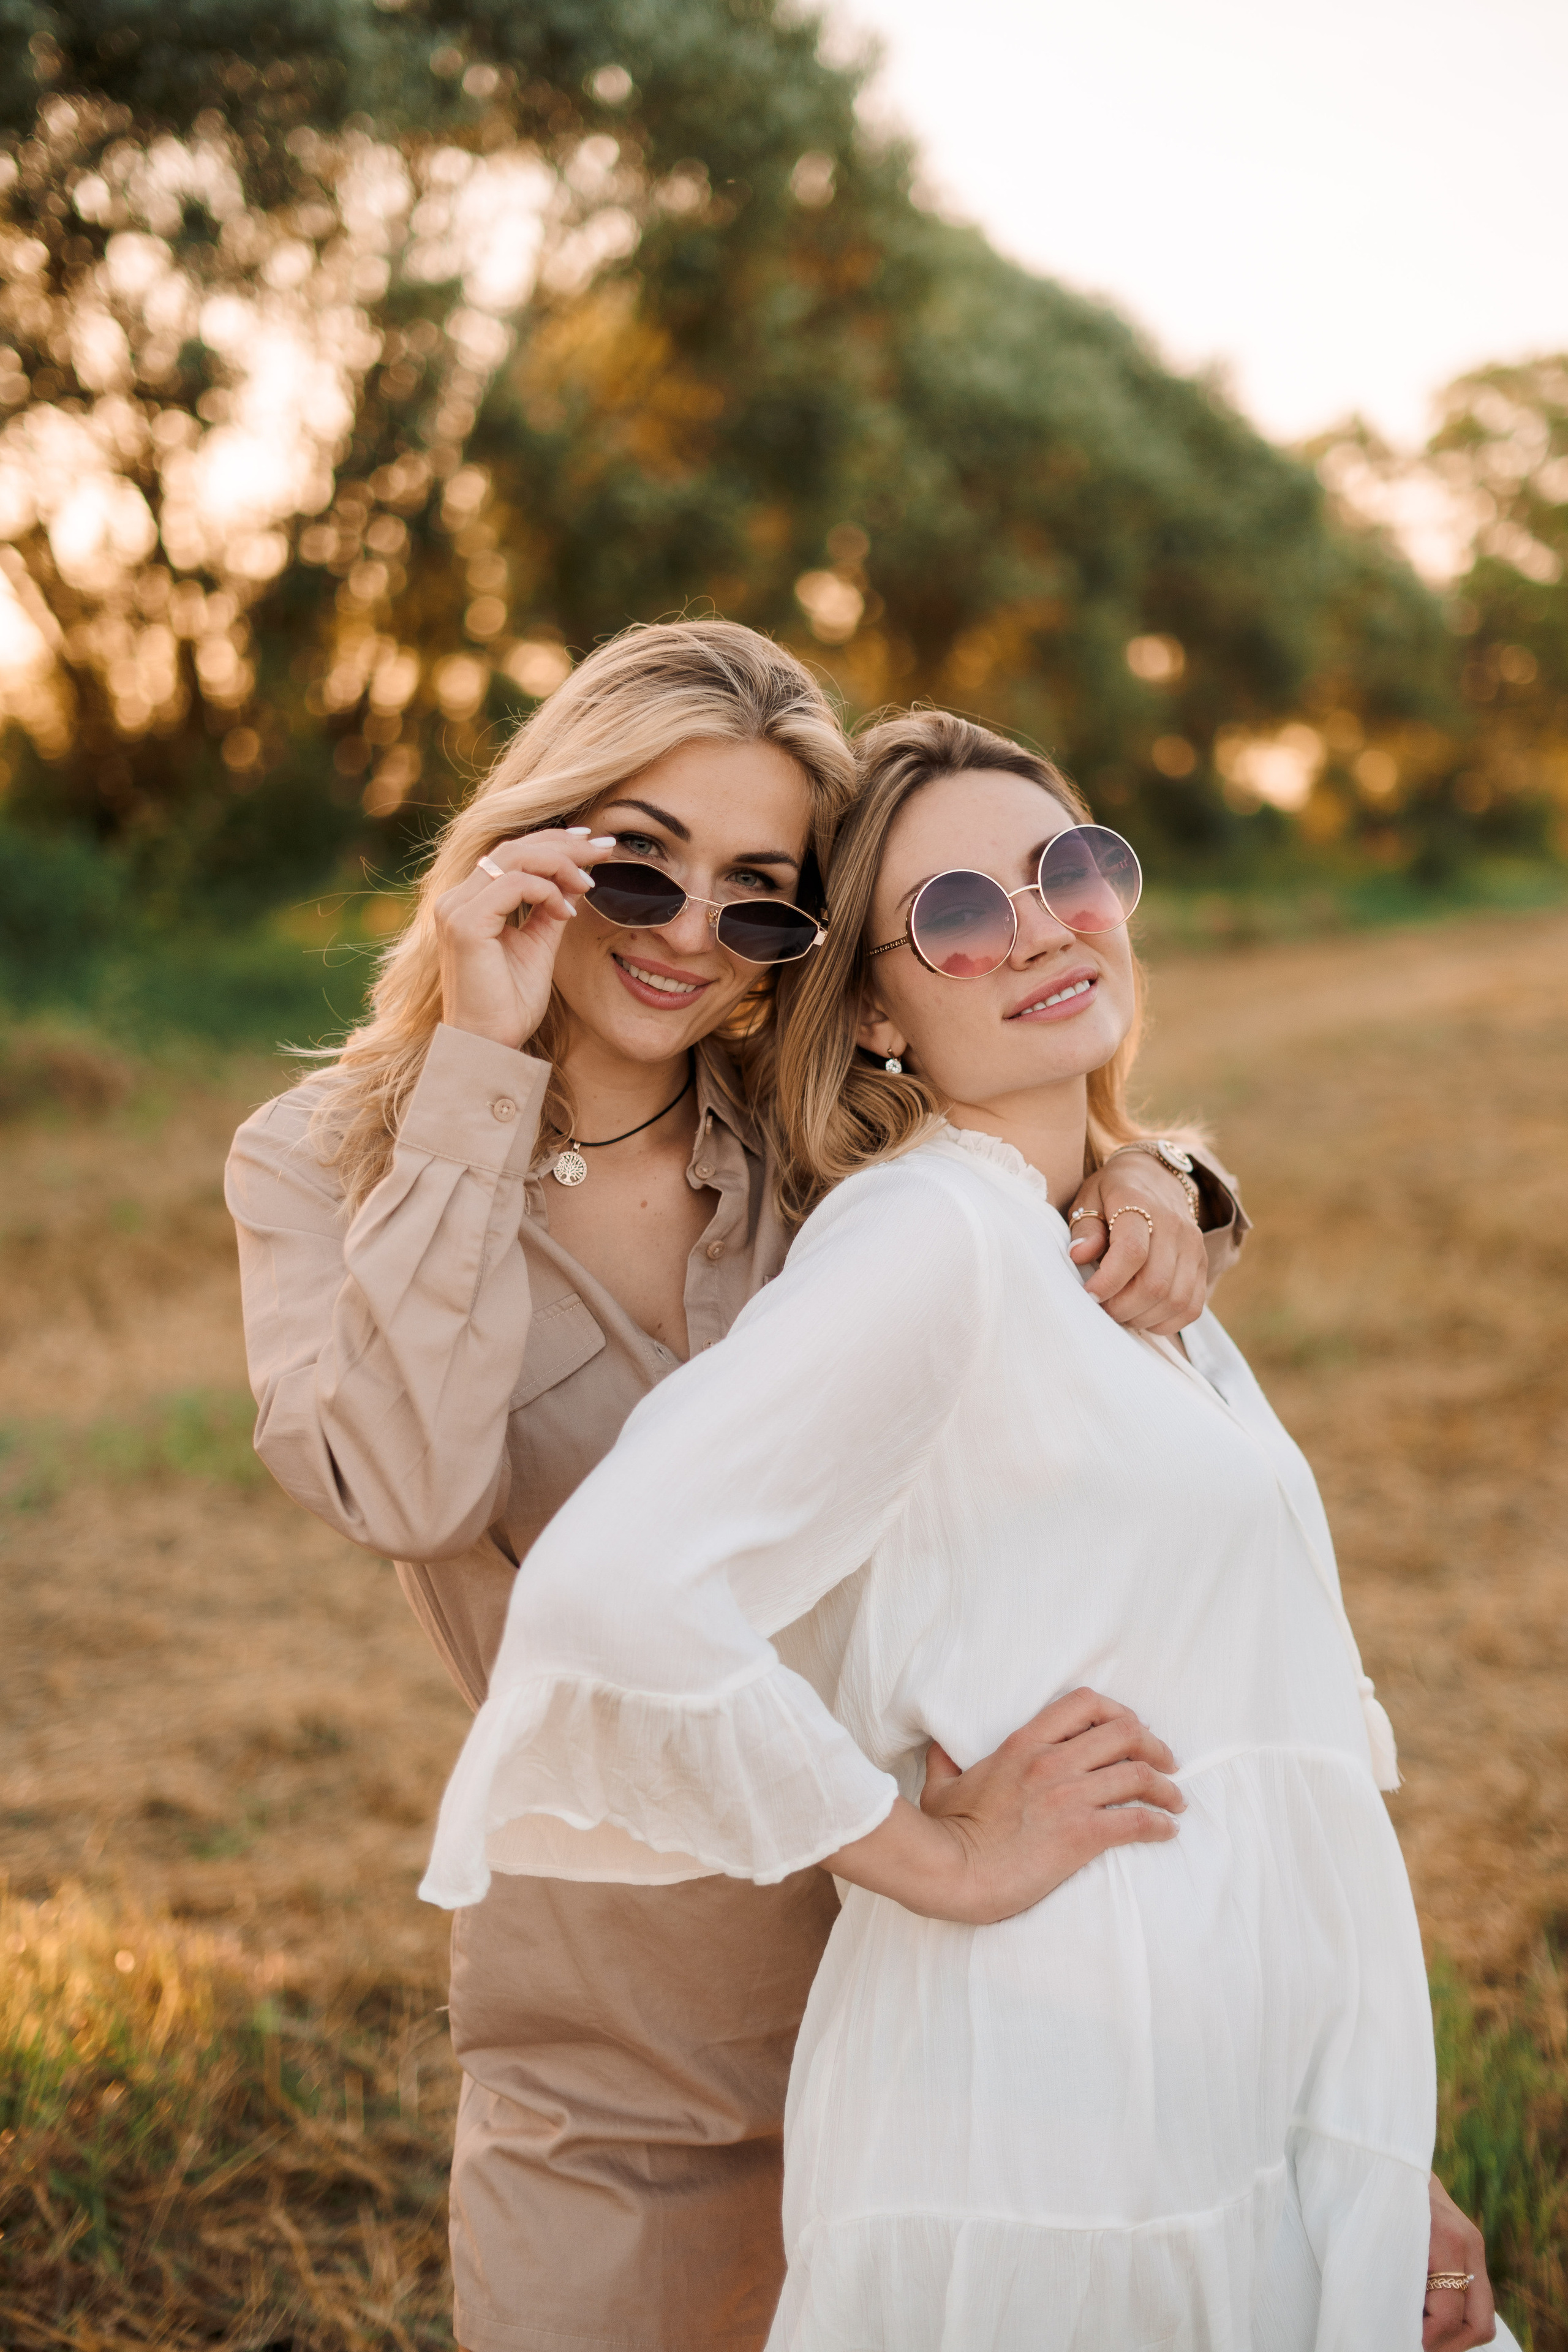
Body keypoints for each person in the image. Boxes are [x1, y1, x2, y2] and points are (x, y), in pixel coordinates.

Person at [420, 709, 1502, 2352]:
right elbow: (614, 1595)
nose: (1046, 925)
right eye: (957, 916)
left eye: (1069, 867)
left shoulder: (1096, 1239)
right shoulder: (929, 1240)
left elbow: (1244, 1731)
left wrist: (1352, 2156)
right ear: (871, 1010)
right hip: (1050, 2104)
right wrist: (925, 1849)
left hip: (1215, 2074)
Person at [227, 625, 1243, 2352]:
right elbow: (400, 1487)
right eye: (641, 865)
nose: (693, 935)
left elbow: (1055, 1110)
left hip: (955, 1957)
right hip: (636, 2020)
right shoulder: (325, 1160)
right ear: (531, 839)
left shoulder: (821, 1124)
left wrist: (1165, 1177)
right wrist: (480, 1059)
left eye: (761, 897)